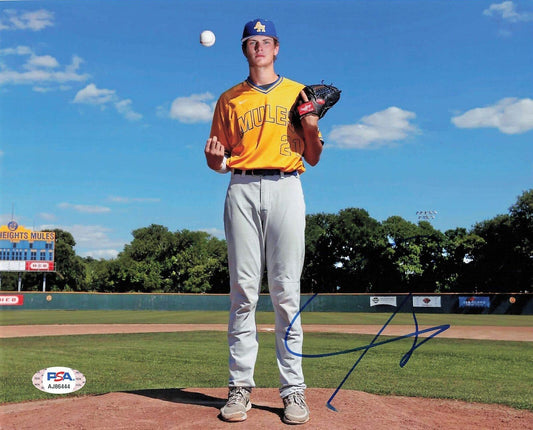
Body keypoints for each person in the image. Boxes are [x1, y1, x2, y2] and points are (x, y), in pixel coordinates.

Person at [204, 18, 324, 425]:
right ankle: (240, 387)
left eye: (265, 40)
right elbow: (219, 160)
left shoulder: (298, 93)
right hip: (240, 186)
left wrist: (311, 127)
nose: (258, 46)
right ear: (245, 49)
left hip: (287, 185)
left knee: (286, 292)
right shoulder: (229, 99)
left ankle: (293, 391)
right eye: (251, 41)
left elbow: (313, 156)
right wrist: (214, 161)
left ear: (276, 48)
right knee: (243, 292)